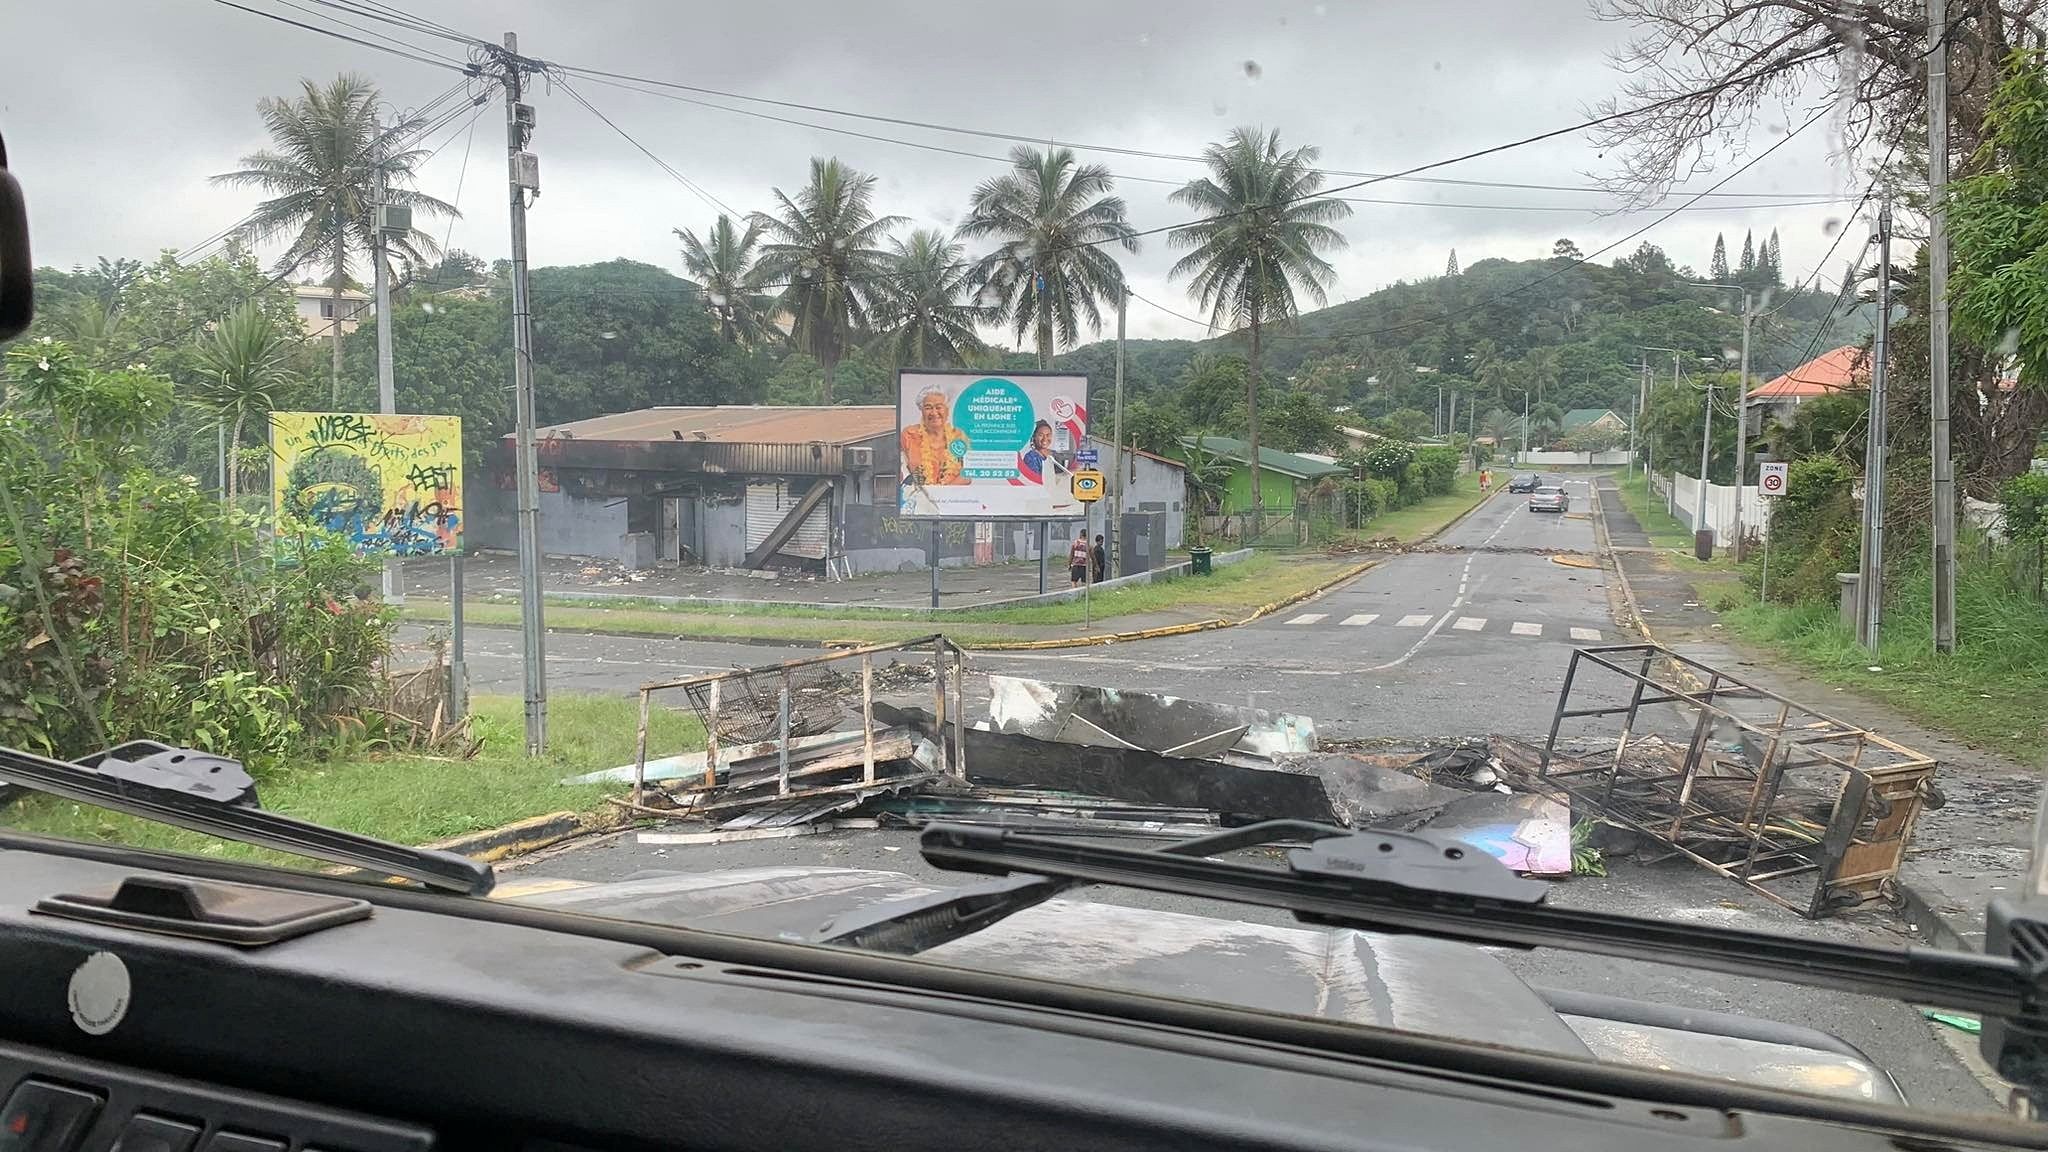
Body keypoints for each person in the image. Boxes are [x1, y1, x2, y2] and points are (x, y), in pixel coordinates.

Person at [900, 386, 971, 486]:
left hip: (953, 497)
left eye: (939, 407)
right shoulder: (909, 435)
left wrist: (942, 494)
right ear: (921, 410)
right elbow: (902, 469)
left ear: (947, 410)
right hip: (920, 497)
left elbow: (967, 474)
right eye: (928, 408)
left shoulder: (959, 436)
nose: (934, 413)